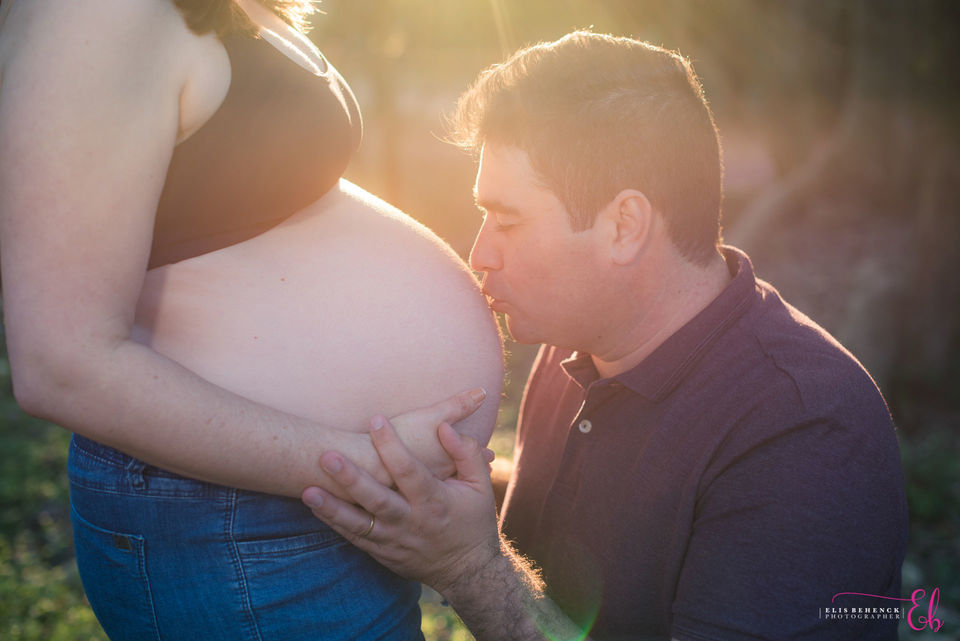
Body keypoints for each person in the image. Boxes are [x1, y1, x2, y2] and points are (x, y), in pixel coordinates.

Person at [302, 30, 909, 641]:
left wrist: (467, 567)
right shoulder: (581, 340)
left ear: (624, 225)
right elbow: (600, 517)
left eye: (508, 220)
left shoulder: (802, 436)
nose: (480, 253)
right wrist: (431, 487)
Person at [0, 0, 502, 639]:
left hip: (288, 509)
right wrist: (358, 470)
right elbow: (59, 364)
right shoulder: (97, 15)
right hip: (237, 520)